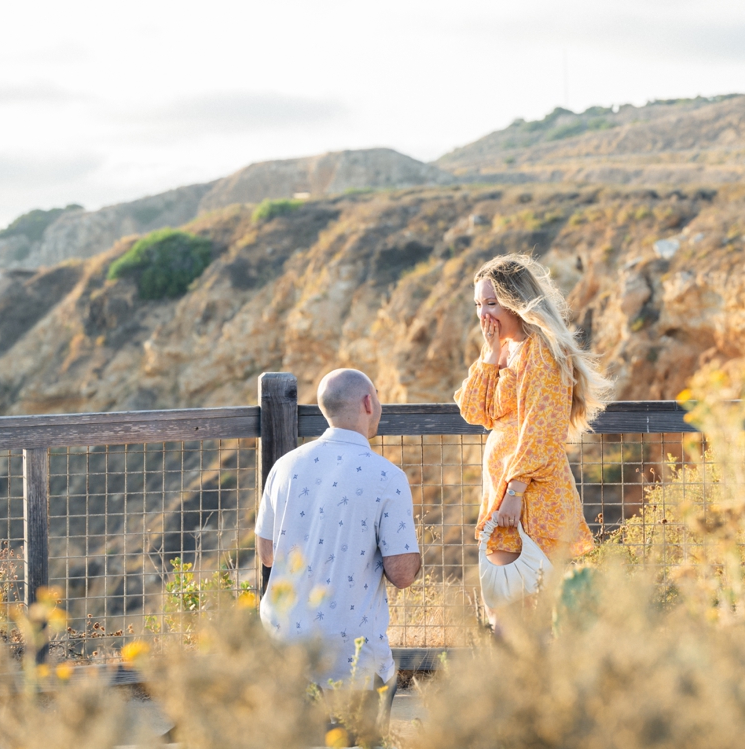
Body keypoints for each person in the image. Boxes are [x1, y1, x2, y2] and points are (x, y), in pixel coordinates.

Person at [255, 369, 422, 688]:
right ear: (368, 403)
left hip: (280, 651)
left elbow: (267, 555)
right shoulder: (387, 477)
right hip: (349, 660)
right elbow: (402, 574)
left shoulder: (284, 466)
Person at [454, 253, 609, 575]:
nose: (483, 314)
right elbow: (473, 411)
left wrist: (514, 491)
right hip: (504, 484)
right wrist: (492, 354)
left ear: (516, 302)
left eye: (491, 303)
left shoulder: (541, 349)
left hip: (530, 491)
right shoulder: (503, 350)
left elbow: (543, 426)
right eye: (478, 305)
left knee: (526, 602)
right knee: (506, 598)